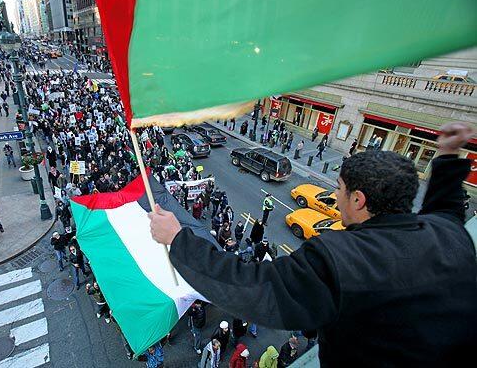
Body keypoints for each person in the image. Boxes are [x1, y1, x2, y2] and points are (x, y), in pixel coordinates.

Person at [148, 122, 477, 366]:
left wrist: (179, 240)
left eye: (340, 188)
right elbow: (446, 211)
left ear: (358, 200)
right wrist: (448, 160)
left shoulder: (339, 257)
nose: (335, 196)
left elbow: (251, 287)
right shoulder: (448, 234)